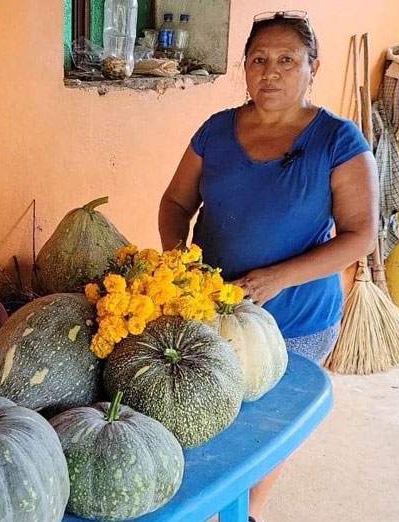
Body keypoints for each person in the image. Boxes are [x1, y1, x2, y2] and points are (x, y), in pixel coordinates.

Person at [158, 11, 378, 522]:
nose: (271, 72)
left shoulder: (338, 141)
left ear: (312, 67)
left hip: (298, 318)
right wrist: (177, 259)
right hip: (210, 307)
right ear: (244, 66)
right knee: (208, 415)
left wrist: (275, 279)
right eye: (259, 59)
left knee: (264, 430)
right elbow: (175, 203)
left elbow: (360, 236)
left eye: (287, 60)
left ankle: (247, 513)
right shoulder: (216, 131)